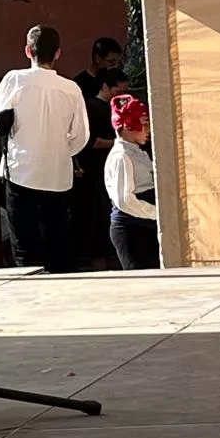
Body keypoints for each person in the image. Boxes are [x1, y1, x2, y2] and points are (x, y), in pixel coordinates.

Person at [0, 25, 89, 274]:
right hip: (57, 175)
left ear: (27, 50)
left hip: (20, 170)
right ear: (58, 53)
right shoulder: (71, 88)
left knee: (24, 246)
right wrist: (60, 150)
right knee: (58, 242)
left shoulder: (14, 80)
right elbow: (80, 135)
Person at [70, 68, 128, 269]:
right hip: (95, 170)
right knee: (97, 215)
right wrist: (117, 143)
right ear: (105, 87)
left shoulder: (116, 108)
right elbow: (89, 140)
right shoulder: (90, 108)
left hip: (113, 167)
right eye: (116, 92)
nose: (119, 97)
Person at [104, 95, 159, 270]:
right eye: (144, 123)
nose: (148, 129)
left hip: (146, 222)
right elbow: (124, 200)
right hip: (132, 227)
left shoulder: (138, 152)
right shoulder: (122, 156)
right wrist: (158, 214)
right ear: (128, 126)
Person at [71, 37, 123, 102]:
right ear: (97, 58)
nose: (114, 65)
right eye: (111, 62)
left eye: (116, 62)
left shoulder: (113, 79)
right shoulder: (79, 84)